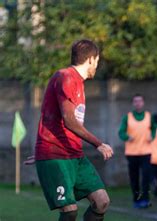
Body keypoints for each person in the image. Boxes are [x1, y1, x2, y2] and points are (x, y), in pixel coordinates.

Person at [28, 39, 114, 221]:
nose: (97, 66)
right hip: (57, 157)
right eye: (97, 61)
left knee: (102, 202)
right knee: (70, 211)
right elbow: (69, 121)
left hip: (74, 155)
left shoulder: (78, 82)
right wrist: (99, 144)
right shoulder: (65, 77)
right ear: (91, 59)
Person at [118, 94, 155, 208]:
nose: (138, 103)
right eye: (135, 101)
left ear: (143, 103)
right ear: (133, 103)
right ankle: (136, 200)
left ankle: (145, 200)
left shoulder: (149, 116)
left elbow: (154, 129)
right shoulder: (127, 117)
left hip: (146, 152)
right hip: (132, 153)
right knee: (134, 179)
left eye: (140, 101)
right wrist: (126, 137)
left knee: (146, 178)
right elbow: (121, 132)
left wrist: (152, 136)